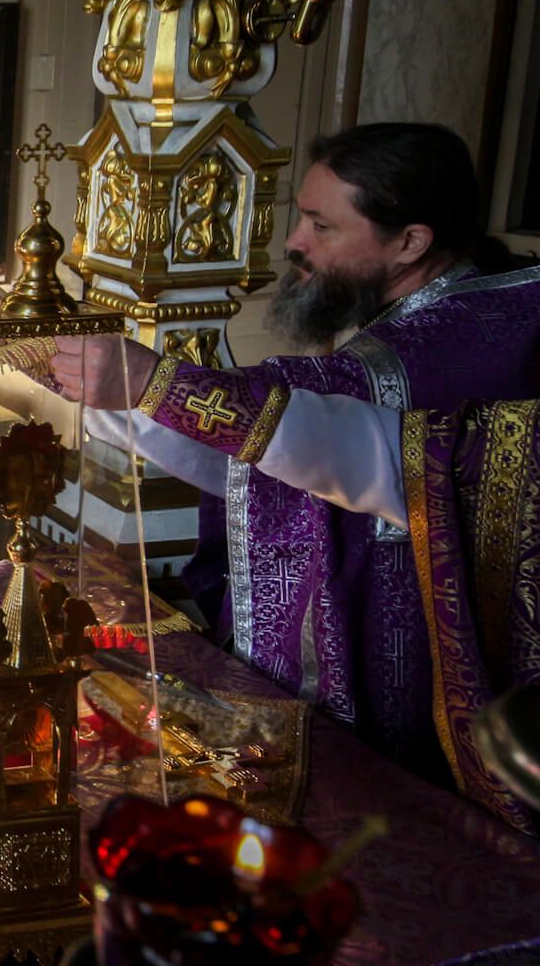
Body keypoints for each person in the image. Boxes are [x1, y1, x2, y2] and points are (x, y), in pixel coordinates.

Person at [62, 122, 540, 776]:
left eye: (322, 225)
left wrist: (155, 385)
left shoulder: (470, 343)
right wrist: (117, 392)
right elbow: (272, 461)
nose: (294, 242)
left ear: (410, 242)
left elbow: (353, 452)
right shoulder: (430, 309)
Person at [53, 337, 538, 834]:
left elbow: (410, 468)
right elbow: (251, 467)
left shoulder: (490, 335)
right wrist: (104, 382)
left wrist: (158, 385)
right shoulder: (379, 329)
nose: (296, 254)